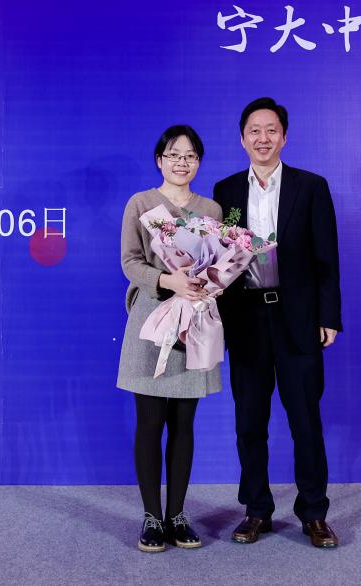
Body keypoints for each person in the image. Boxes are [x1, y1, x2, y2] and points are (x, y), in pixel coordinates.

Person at [213, 97, 342, 549]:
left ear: (284, 136)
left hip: (297, 318)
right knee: (249, 420)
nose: (263, 138)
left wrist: (328, 316)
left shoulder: (311, 187)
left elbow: (327, 258)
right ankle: (257, 510)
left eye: (271, 130)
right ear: (242, 138)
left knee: (305, 419)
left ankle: (314, 513)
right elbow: (222, 257)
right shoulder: (227, 191)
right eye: (254, 131)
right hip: (246, 319)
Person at [117, 125, 223, 552]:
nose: (182, 162)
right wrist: (168, 280)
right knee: (149, 421)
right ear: (159, 160)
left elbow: (219, 264)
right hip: (151, 318)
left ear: (199, 162)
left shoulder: (211, 209)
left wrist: (211, 283)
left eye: (190, 155)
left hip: (194, 320)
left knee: (184, 422)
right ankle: (151, 517)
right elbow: (130, 262)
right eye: (174, 154)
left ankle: (177, 515)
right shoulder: (141, 203)